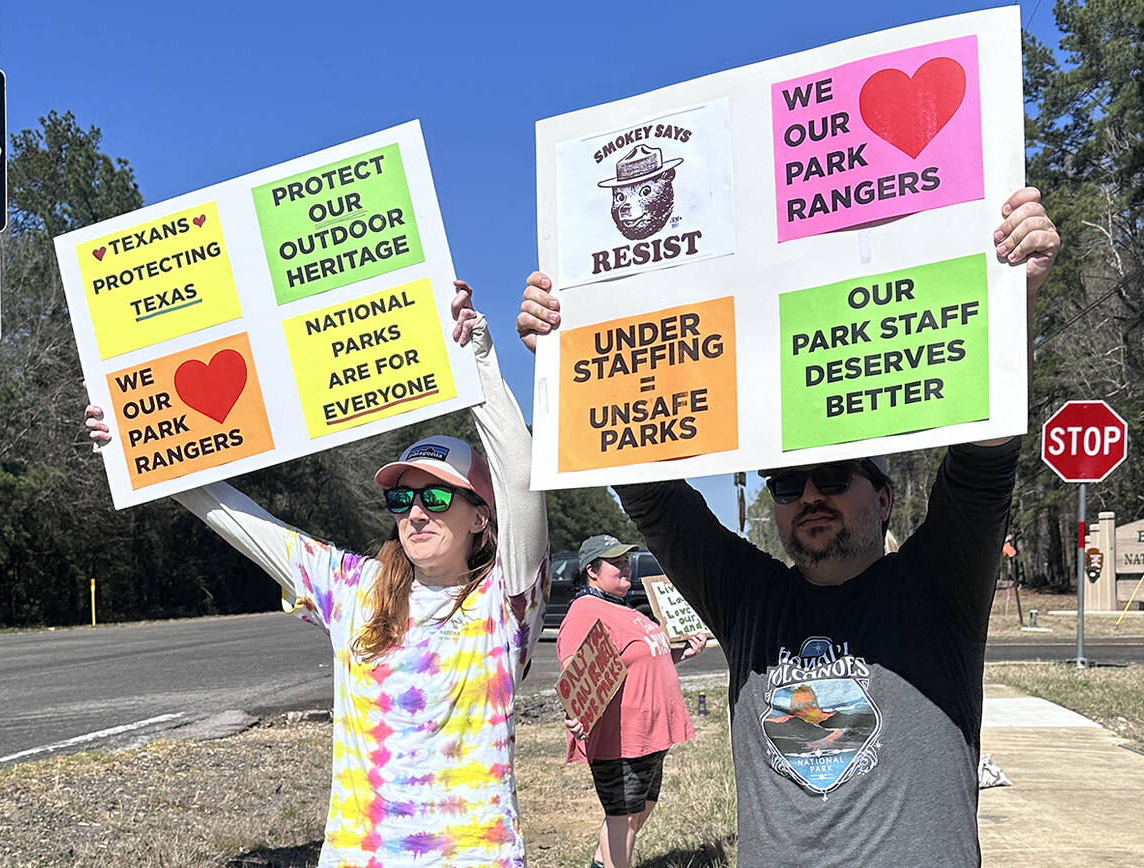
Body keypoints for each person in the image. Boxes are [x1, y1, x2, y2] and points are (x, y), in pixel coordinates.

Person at [517, 188, 1059, 867]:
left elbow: (983, 466)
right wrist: (572, 357)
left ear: (885, 498)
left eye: (833, 479)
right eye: (786, 485)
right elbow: (653, 495)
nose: (808, 496)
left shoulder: (938, 585)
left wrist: (1014, 296)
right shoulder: (750, 600)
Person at [86, 281, 547, 868]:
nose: (416, 512)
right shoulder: (357, 590)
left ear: (481, 515)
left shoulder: (505, 603)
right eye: (401, 501)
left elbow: (522, 477)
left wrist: (476, 357)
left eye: (435, 495)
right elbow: (248, 525)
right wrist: (139, 453)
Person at [556, 534, 707, 868]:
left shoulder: (621, 608)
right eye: (616, 561)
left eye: (626, 559)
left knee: (641, 808)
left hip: (651, 735)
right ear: (591, 571)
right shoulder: (585, 610)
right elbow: (575, 671)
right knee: (623, 819)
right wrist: (576, 710)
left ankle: (603, 862)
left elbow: (639, 659)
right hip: (622, 738)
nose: (625, 565)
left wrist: (682, 652)